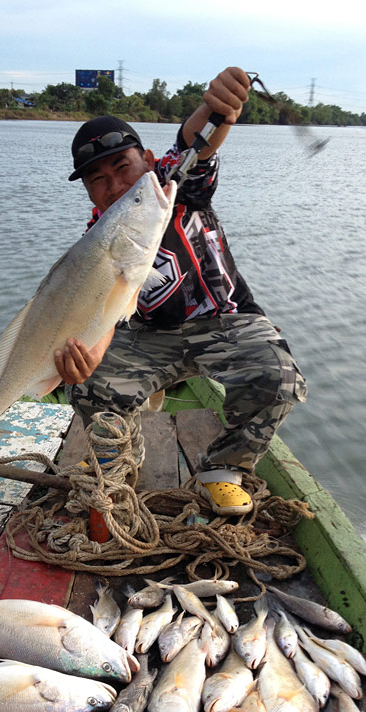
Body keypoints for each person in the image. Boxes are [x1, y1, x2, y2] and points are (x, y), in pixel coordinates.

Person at [55, 67, 307, 515]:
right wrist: (89, 355)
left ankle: (221, 470)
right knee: (89, 388)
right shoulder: (97, 239)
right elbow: (108, 310)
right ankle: (118, 461)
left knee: (278, 379)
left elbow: (196, 142)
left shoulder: (172, 185)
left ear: (148, 160)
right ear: (89, 192)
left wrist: (219, 107)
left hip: (226, 320)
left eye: (122, 167)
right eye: (98, 178)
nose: (116, 185)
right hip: (147, 335)